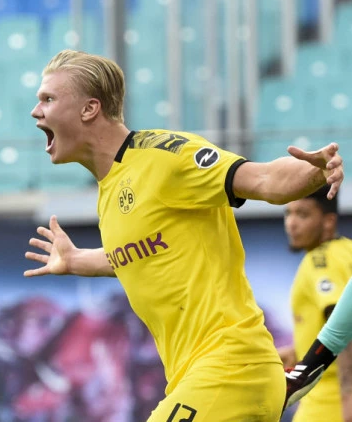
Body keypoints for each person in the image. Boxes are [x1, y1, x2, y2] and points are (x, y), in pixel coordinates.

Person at [23, 50, 344, 421]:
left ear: (89, 109)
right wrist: (77, 259)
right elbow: (142, 255)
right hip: (205, 379)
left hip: (230, 369)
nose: (36, 111)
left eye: (48, 99)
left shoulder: (165, 157)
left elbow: (263, 178)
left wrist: (315, 172)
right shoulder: (111, 189)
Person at [279, 188, 352, 419]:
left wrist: (348, 396)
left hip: (328, 400)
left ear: (328, 221)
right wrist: (298, 351)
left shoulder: (320, 260)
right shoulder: (346, 250)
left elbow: (343, 325)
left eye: (303, 214)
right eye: (288, 213)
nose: (291, 223)